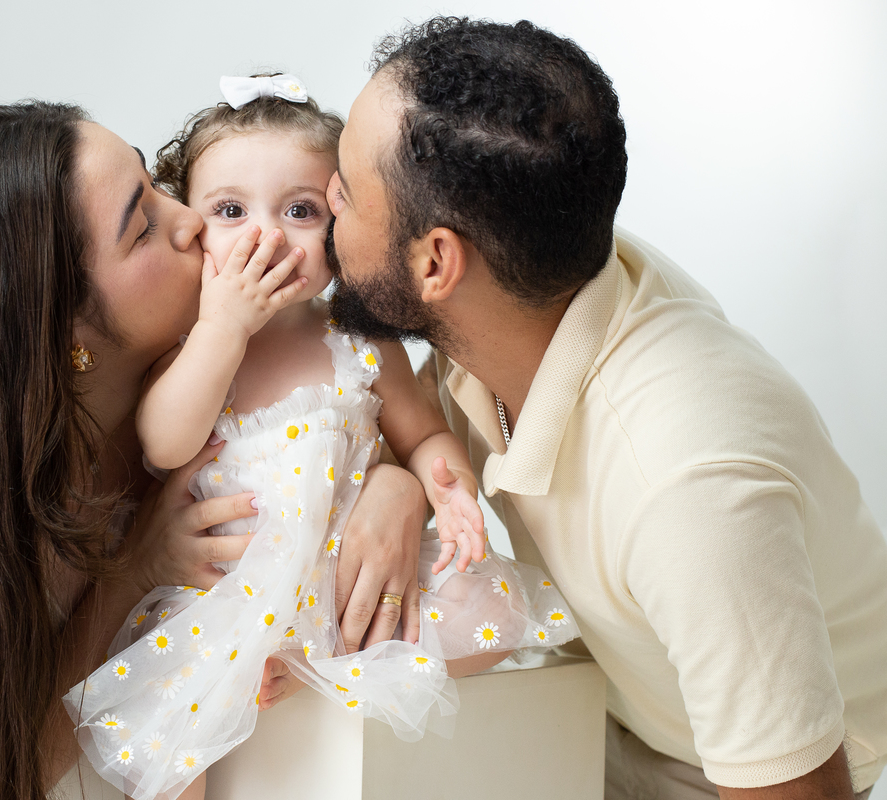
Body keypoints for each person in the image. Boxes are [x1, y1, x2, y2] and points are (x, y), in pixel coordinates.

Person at [0, 100, 428, 800]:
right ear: (64, 334)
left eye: (154, 182)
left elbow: (335, 436)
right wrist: (133, 573)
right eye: (143, 225)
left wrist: (395, 486)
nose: (191, 219)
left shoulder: (215, 378)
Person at [324, 16, 887, 800]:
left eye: (346, 191)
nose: (324, 199)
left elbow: (798, 787)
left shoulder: (684, 483)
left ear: (436, 263)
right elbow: (403, 419)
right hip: (606, 713)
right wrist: (397, 482)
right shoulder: (520, 292)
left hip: (742, 769)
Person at [60, 75, 580, 800]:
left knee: (488, 608)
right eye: (231, 211)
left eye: (300, 211)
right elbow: (165, 444)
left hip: (346, 587)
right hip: (227, 597)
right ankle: (275, 672)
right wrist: (224, 326)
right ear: (194, 225)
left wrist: (449, 488)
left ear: (339, 226)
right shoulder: (191, 345)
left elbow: (423, 433)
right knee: (175, 744)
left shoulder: (357, 340)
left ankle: (311, 667)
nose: (267, 236)